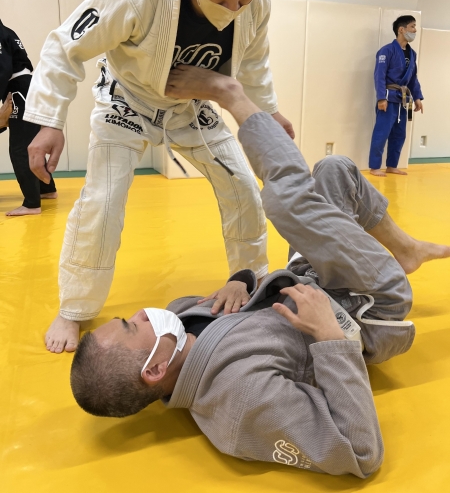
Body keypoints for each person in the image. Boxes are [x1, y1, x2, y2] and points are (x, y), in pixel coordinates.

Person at [70, 65, 450, 478]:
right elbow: (360, 452)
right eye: (132, 326)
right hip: (367, 304)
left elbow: (233, 302)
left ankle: (407, 250)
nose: (143, 313)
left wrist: (239, 281)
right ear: (155, 370)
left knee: (334, 169)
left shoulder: (179, 324)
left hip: (310, 276)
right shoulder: (240, 402)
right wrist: (329, 337)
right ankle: (231, 95)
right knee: (288, 203)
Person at [23, 0, 294, 353]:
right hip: (126, 101)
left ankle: (252, 281)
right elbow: (65, 46)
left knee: (243, 188)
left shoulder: (257, 4)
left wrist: (269, 111)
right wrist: (49, 120)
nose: (234, 3)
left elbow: (254, 67)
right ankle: (74, 307)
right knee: (103, 200)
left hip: (192, 107)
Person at [0, 20, 57, 216]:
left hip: (18, 89)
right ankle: (47, 189)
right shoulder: (7, 31)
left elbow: (3, 69)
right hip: (26, 86)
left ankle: (32, 204)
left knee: (20, 148)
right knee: (31, 142)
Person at [368, 15, 424, 177]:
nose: (415, 30)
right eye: (412, 26)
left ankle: (392, 165)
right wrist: (381, 98)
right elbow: (379, 75)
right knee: (382, 132)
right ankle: (374, 166)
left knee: (399, 134)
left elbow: (413, 78)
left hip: (403, 99)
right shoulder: (386, 51)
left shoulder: (412, 54)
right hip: (388, 97)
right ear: (401, 29)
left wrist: (417, 97)